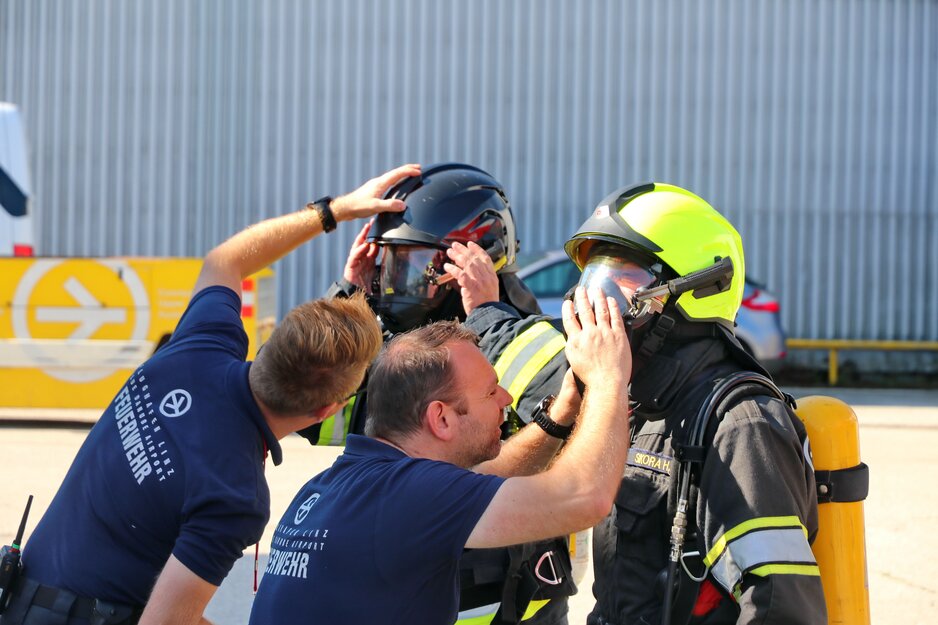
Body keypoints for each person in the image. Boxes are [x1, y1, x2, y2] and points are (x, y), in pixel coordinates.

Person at [1, 164, 421, 625]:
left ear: (267, 346)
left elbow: (225, 259)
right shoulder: (235, 496)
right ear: (328, 409)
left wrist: (335, 210)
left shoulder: (201, 345)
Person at [248, 287, 633, 625]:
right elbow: (584, 496)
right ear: (441, 418)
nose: (507, 399)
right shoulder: (411, 494)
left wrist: (557, 417)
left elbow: (487, 481)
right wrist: (607, 378)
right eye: (491, 391)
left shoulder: (337, 486)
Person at [298, 162, 576, 624]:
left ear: (471, 260)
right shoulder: (397, 351)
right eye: (388, 262)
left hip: (506, 602)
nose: (394, 282)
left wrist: (487, 314)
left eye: (411, 264)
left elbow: (575, 391)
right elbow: (302, 405)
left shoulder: (517, 334)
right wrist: (348, 298)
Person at [559, 182, 827, 624]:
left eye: (622, 277)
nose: (593, 300)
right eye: (594, 277)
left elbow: (781, 610)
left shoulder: (741, 426)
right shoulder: (641, 408)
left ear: (698, 290)